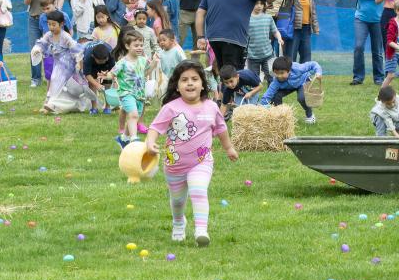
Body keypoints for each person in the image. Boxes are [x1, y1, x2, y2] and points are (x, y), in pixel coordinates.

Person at [146, 59, 238, 247]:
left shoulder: (211, 107)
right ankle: (179, 223)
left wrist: (228, 148)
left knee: (198, 190)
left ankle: (201, 230)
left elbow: (221, 128)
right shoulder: (171, 108)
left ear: (203, 84)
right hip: (175, 165)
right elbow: (155, 128)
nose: (190, 83)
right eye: (184, 80)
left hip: (201, 161)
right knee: (178, 201)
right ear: (177, 86)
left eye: (195, 79)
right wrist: (150, 142)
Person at [196, 0, 275, 69]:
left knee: (223, 72)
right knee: (234, 76)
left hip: (213, 37)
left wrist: (200, 36)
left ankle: (223, 85)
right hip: (234, 37)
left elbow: (200, 12)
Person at [32, 10, 94, 115]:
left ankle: (51, 104)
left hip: (67, 63)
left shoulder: (65, 36)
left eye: (53, 24)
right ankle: (54, 104)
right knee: (59, 83)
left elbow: (76, 50)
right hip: (57, 62)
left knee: (56, 80)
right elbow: (42, 43)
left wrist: (78, 62)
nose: (51, 27)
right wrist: (38, 49)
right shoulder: (48, 35)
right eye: (49, 24)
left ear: (61, 24)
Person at [112, 29, 159, 148]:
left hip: (139, 94)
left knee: (134, 117)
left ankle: (123, 139)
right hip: (126, 93)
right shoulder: (122, 62)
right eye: (136, 45)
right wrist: (106, 76)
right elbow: (113, 73)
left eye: (141, 45)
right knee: (133, 115)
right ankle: (134, 139)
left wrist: (153, 63)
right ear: (127, 46)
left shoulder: (143, 60)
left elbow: (146, 73)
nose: (139, 48)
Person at [24, 0, 61, 86]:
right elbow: (26, 2)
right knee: (34, 49)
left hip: (47, 19)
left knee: (49, 49)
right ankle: (35, 79)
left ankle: (51, 76)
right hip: (33, 19)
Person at [348, 0, 383, 85]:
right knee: (358, 47)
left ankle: (379, 78)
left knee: (377, 50)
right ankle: (358, 77)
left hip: (377, 20)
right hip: (361, 19)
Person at [259, 55, 322, 124]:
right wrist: (260, 107)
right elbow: (268, 95)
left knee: (302, 98)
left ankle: (310, 115)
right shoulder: (276, 81)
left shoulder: (298, 68)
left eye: (282, 73)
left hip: (302, 82)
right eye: (276, 73)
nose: (279, 76)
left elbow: (313, 64)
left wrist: (318, 72)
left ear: (289, 71)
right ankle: (279, 116)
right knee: (275, 96)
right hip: (287, 87)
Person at [282, 0, 319, 64]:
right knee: (291, 54)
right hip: (293, 28)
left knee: (306, 55)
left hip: (306, 28)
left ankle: (304, 76)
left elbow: (313, 10)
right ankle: (290, 76)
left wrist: (315, 26)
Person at [246, 0, 281, 84]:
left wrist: (279, 38)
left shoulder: (268, 17)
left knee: (271, 78)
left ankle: (272, 97)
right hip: (252, 56)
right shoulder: (246, 19)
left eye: (261, 4)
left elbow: (275, 31)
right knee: (254, 81)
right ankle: (254, 97)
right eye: (256, 3)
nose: (259, 6)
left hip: (268, 55)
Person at [82, 42, 115, 114]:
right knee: (92, 84)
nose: (103, 62)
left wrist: (108, 75)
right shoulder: (88, 57)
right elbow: (87, 74)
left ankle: (107, 107)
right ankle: (94, 108)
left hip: (106, 65)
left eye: (105, 60)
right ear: (93, 56)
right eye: (100, 61)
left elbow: (114, 70)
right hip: (93, 65)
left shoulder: (111, 54)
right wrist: (97, 84)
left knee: (108, 81)